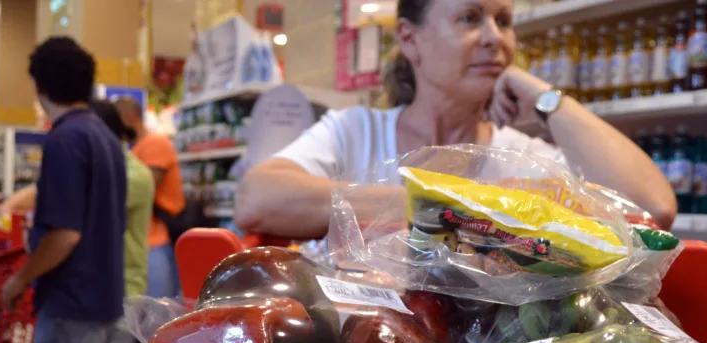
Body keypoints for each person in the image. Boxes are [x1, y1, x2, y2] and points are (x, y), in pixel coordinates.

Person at [235, 0, 677, 239]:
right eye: (470, 18)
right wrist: (450, 209)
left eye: (504, 22)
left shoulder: (521, 153)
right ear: (410, 38)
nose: (494, 39)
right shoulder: (354, 130)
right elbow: (257, 199)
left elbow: (652, 207)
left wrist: (544, 98)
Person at [0, 37, 129, 343]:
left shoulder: (64, 140)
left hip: (70, 306)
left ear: (40, 87)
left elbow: (65, 235)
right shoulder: (108, 139)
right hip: (109, 306)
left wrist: (19, 280)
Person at [0, 100, 155, 300]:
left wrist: (21, 279)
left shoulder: (132, 174)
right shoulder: (106, 167)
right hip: (95, 288)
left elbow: (66, 214)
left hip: (123, 290)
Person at [115, 97, 185, 299]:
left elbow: (142, 187)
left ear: (128, 118)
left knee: (155, 316)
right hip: (142, 242)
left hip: (155, 242)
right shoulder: (136, 149)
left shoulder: (156, 144)